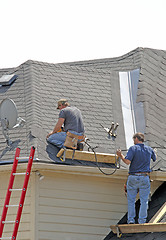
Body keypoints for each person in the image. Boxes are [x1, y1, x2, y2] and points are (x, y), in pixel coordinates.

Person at [117, 132, 156, 224]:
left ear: (136, 139)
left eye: (134, 139)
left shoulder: (133, 149)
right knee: (144, 201)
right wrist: (155, 152)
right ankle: (142, 221)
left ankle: (131, 220)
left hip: (133, 177)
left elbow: (127, 162)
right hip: (144, 177)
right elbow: (155, 158)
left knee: (131, 200)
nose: (133, 141)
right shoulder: (149, 149)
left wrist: (120, 155)